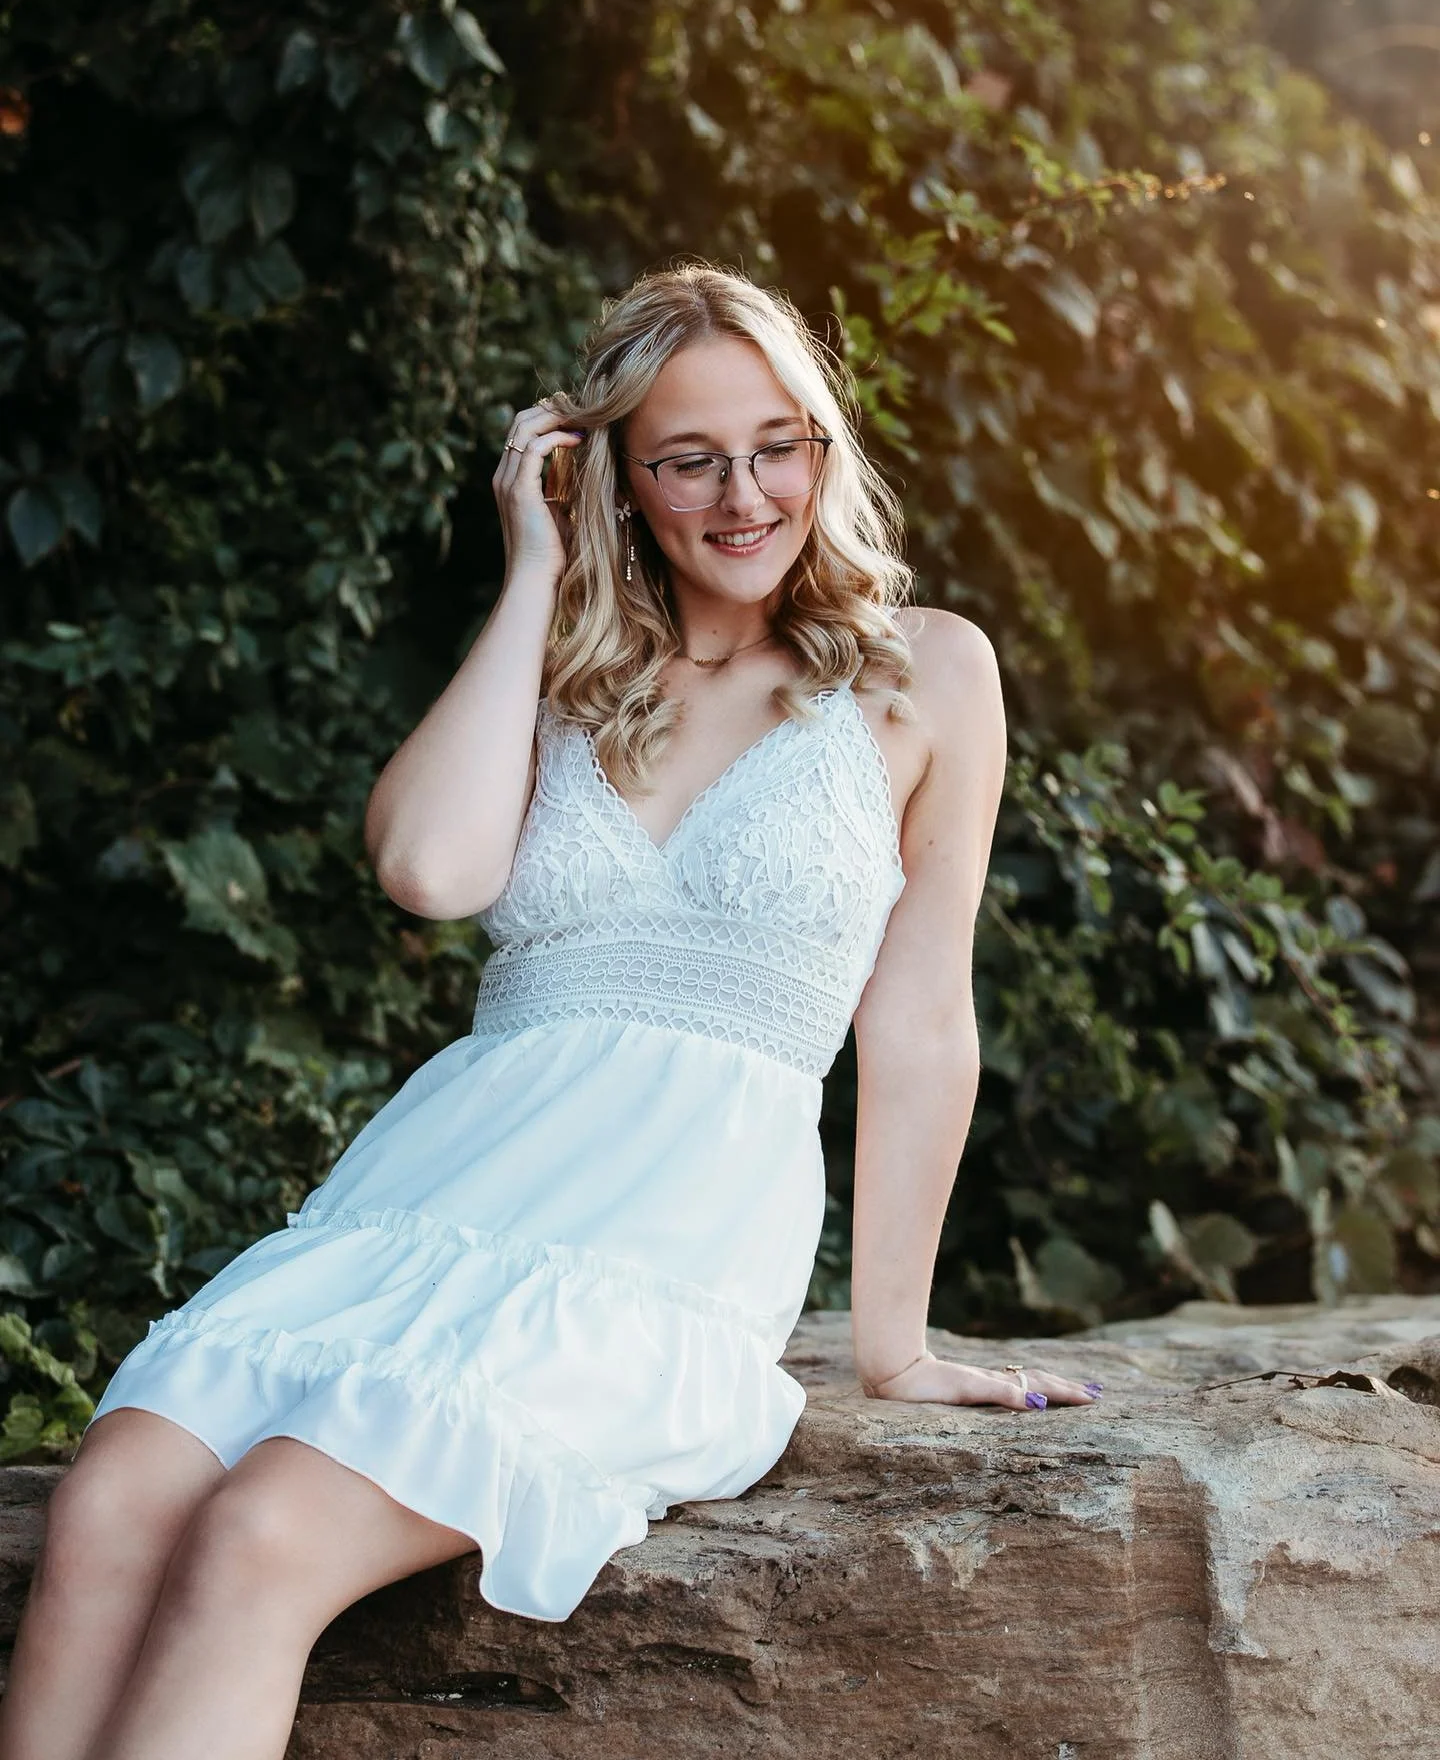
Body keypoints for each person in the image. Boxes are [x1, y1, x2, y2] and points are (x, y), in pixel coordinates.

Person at [0, 261, 1100, 1760]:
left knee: (263, 1532)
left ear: (825, 450)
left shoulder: (927, 675)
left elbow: (917, 1021)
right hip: (422, 1208)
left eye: (779, 444)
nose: (743, 495)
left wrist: (890, 1346)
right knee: (114, 1498)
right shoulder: (570, 673)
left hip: (653, 1246)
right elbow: (426, 867)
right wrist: (532, 570)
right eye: (688, 458)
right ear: (618, 479)